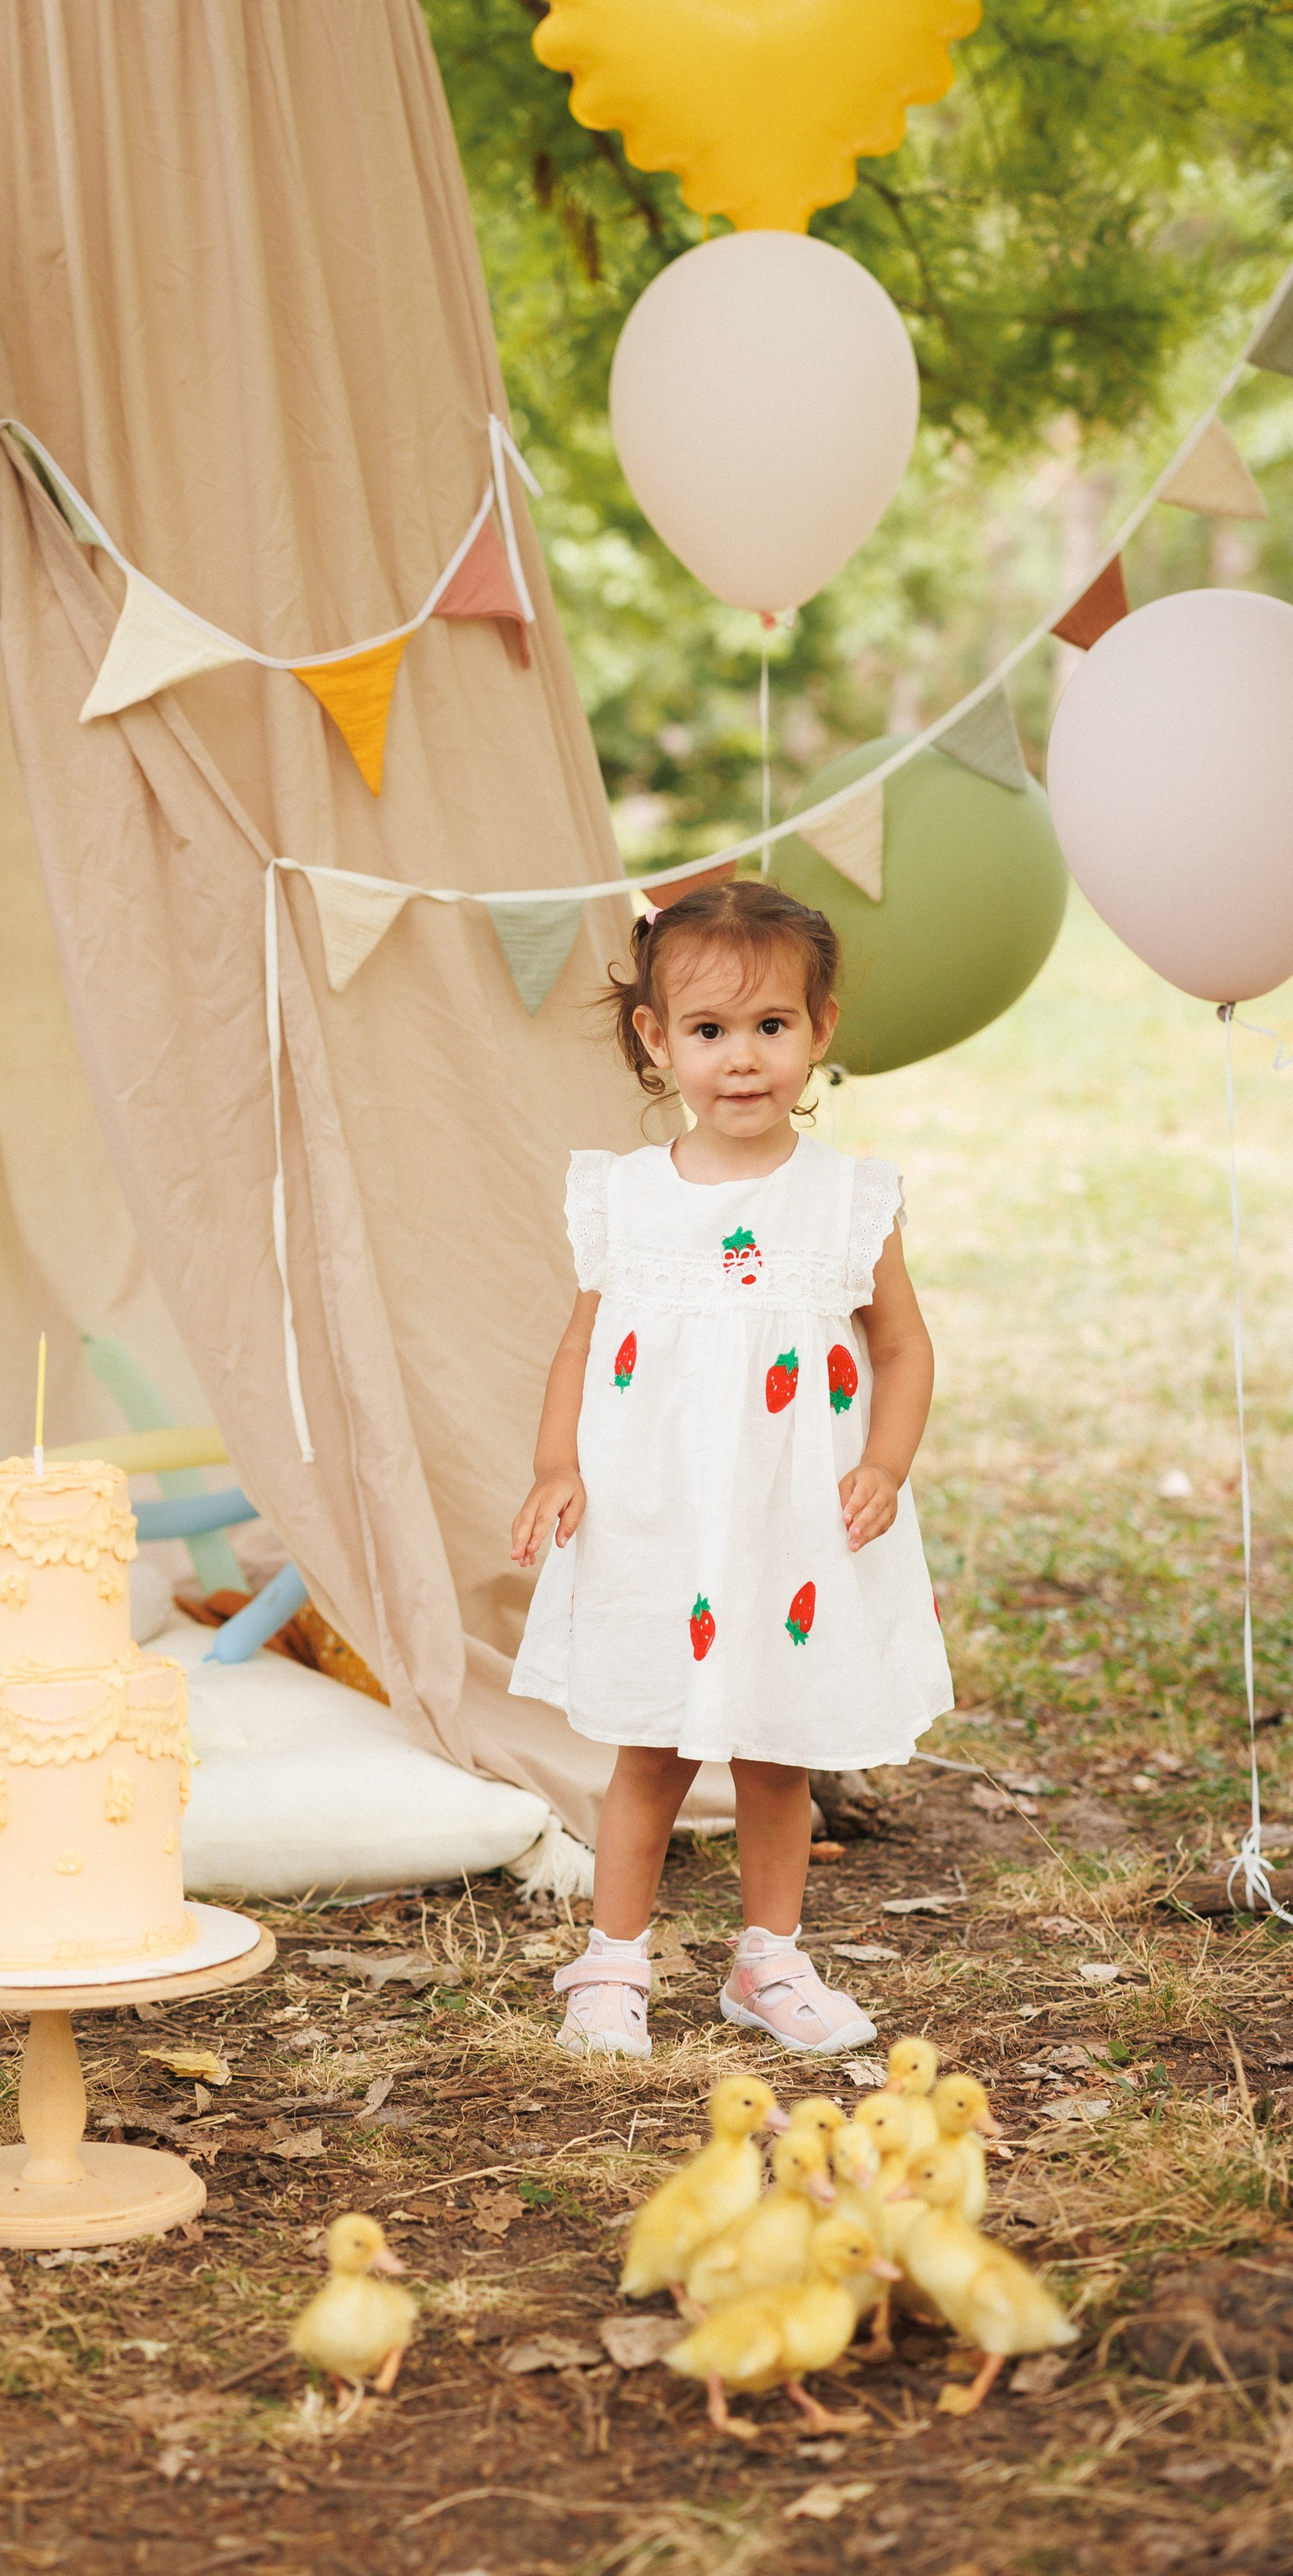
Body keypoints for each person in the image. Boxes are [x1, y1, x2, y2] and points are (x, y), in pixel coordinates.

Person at [509, 880, 950, 2059]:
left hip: (791, 1515)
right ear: (658, 1039)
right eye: (709, 1031)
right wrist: (559, 1463)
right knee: (649, 1744)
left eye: (772, 1027)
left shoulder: (851, 1197)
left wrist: (888, 1461)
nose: (742, 1059)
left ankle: (769, 1957)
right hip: (660, 1513)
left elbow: (902, 1345)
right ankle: (612, 1960)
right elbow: (580, 1343)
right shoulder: (627, 1195)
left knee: (776, 1745)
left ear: (821, 1031)